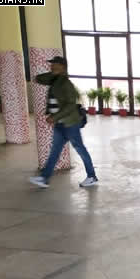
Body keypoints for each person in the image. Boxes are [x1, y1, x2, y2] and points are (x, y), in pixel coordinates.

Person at [29, 57, 98, 189]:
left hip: (70, 123)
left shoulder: (66, 84)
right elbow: (38, 78)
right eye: (52, 64)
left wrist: (54, 117)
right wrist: (54, 73)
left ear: (63, 67)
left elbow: (70, 105)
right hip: (60, 124)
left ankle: (92, 176)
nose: (52, 66)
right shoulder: (55, 80)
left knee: (80, 149)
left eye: (55, 64)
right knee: (55, 151)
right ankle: (44, 178)